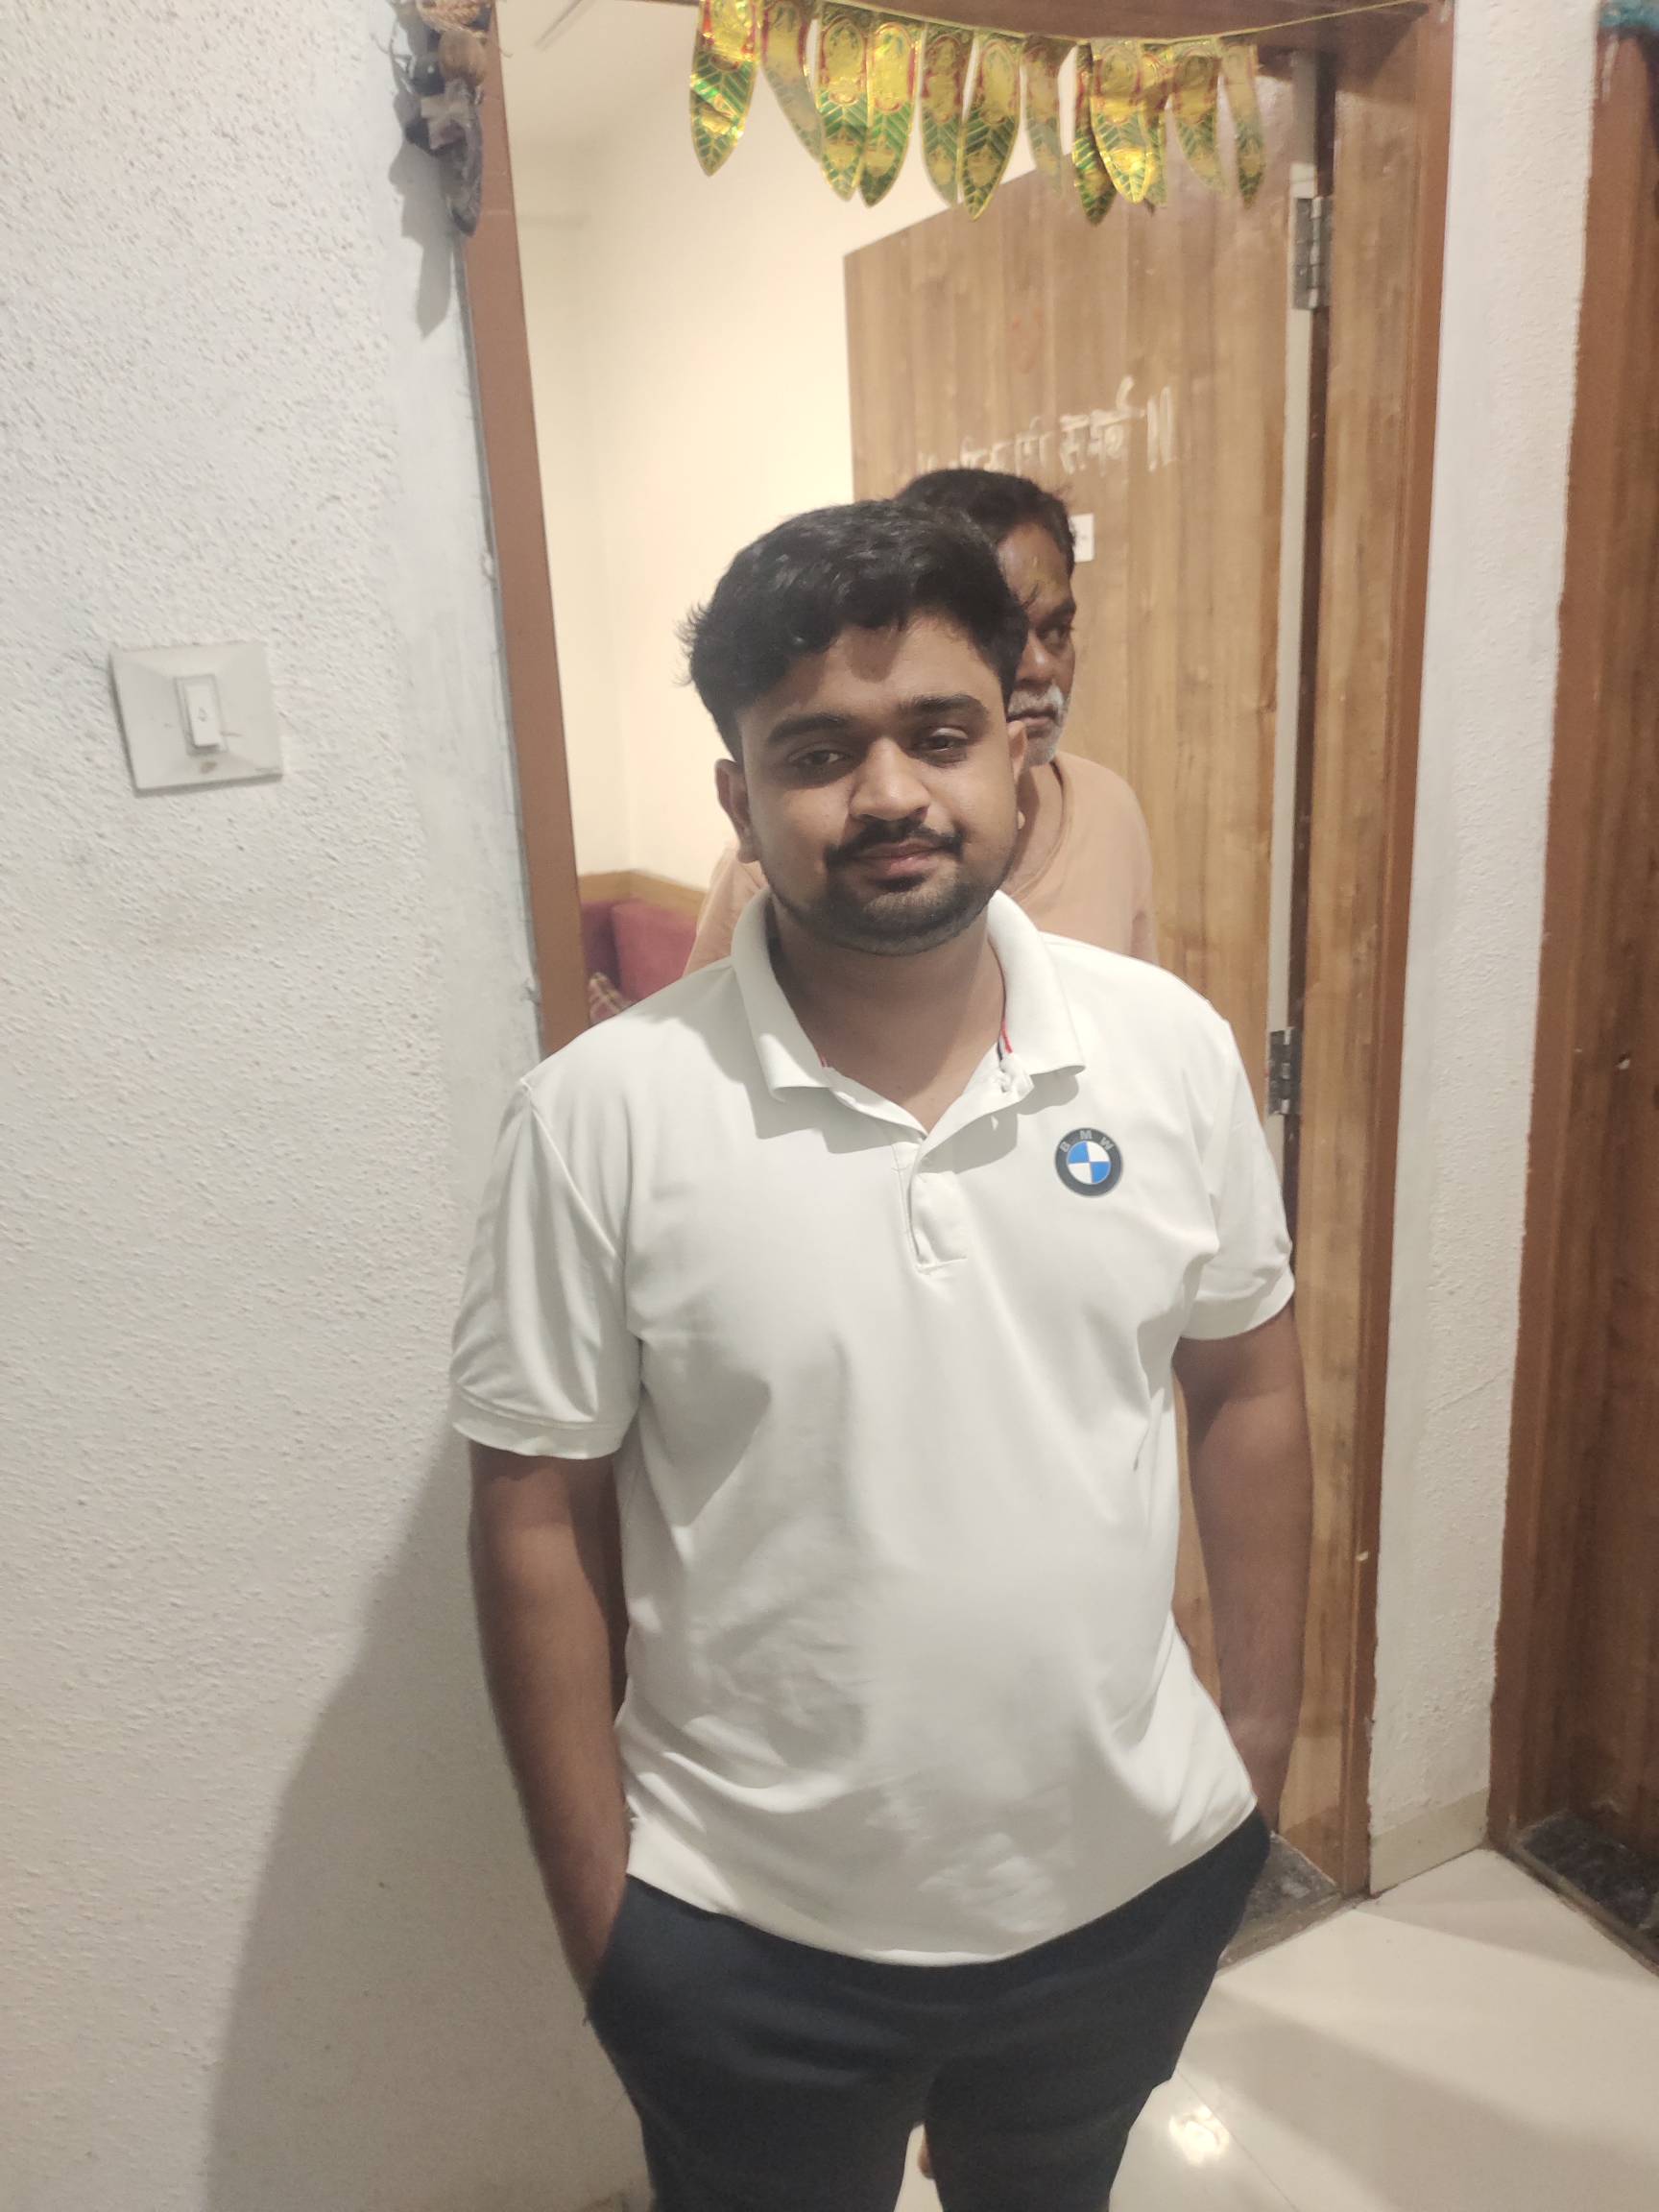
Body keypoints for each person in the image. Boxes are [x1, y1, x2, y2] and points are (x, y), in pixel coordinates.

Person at [454, 501, 1313, 2212]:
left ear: (1015, 746)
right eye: (818, 751)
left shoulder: (1167, 1049)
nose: (890, 793)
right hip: (745, 1934)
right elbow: (535, 1512)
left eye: (937, 732)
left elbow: (1248, 1389)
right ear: (739, 798)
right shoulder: (598, 1116)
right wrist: (607, 1924)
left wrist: (1255, 1749)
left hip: (1124, 1888)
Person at [683, 468, 1157, 973]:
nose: (1039, 667)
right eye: (1008, 637)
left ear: (1014, 753)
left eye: (1057, 630)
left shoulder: (1111, 809)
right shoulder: (789, 866)